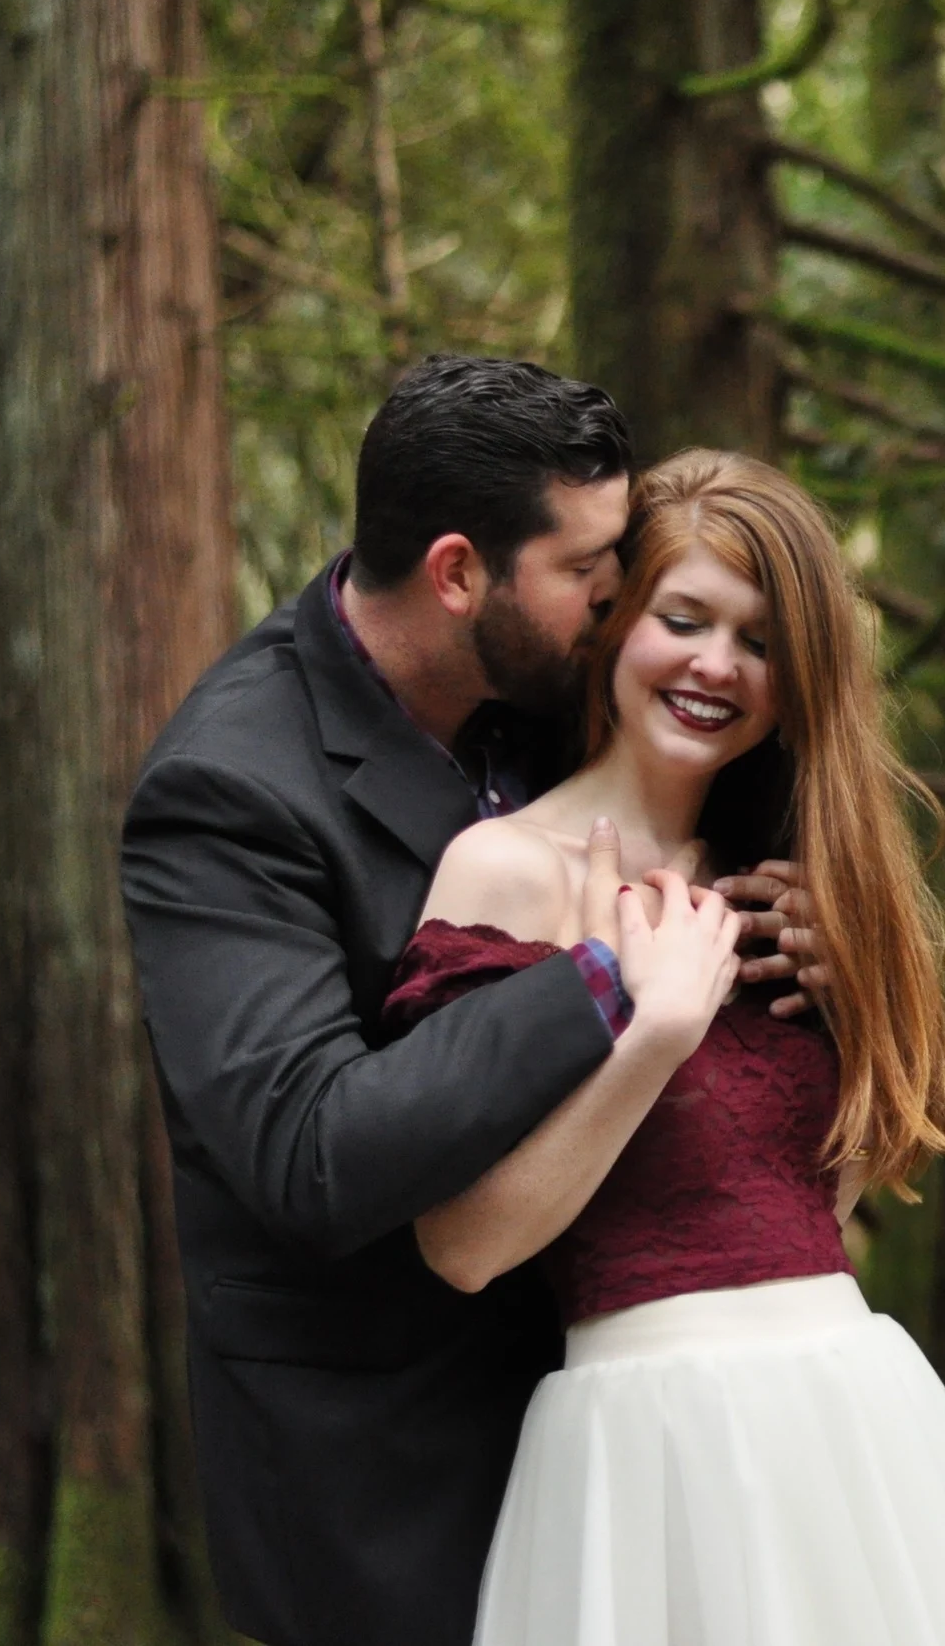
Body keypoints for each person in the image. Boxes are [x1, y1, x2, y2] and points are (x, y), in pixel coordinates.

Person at [119, 358, 826, 1646]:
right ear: (459, 574)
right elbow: (311, 1149)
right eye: (589, 567)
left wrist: (821, 941)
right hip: (385, 1468)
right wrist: (606, 979)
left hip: (628, 1419)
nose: (619, 595)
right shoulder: (229, 790)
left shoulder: (553, 691)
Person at [381, 448, 945, 1645]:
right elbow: (464, 1245)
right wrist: (652, 1028)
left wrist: (858, 992)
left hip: (856, 1425)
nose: (715, 665)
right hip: (647, 1443)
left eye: (759, 642)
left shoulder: (789, 892)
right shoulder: (505, 874)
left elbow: (823, 1195)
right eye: (683, 619)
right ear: (613, 627)